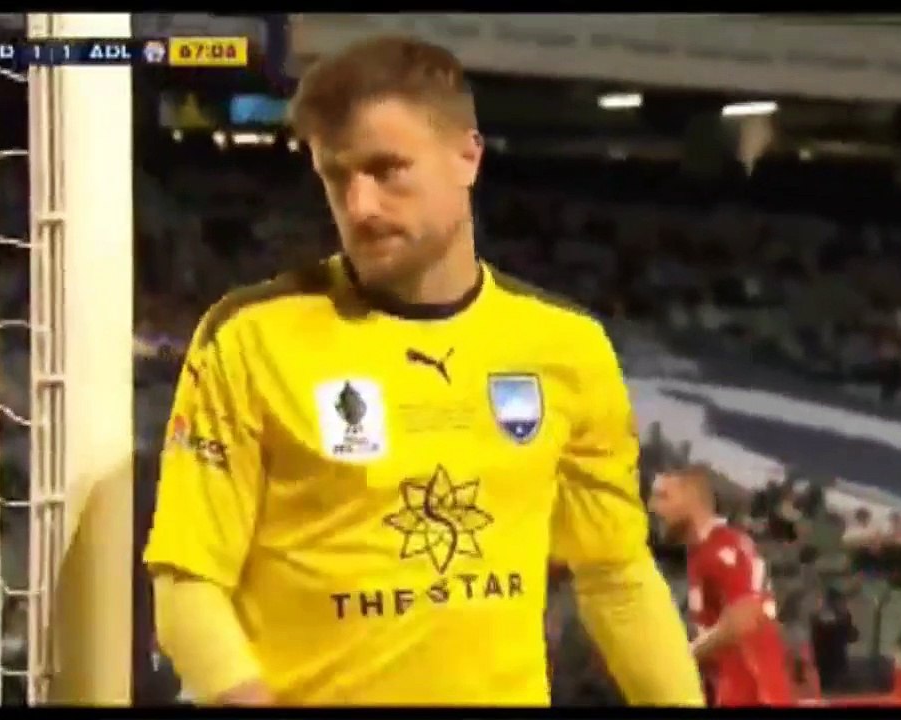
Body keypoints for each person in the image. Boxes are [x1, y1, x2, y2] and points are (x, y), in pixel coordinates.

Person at [143, 35, 702, 706]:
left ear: (468, 156)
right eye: (335, 176)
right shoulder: (249, 337)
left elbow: (615, 575)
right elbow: (187, 586)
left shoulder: (569, 347)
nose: (360, 207)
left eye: (387, 170)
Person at [648, 465, 794, 706]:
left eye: (664, 497)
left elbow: (744, 617)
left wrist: (680, 661)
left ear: (692, 499)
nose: (654, 507)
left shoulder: (726, 548)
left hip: (753, 697)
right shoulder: (703, 551)